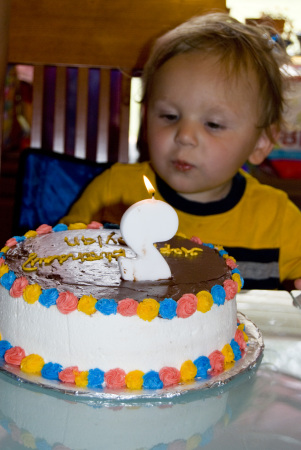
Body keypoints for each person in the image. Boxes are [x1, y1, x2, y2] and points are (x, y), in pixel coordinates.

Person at [61, 13, 301, 291]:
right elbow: (58, 257)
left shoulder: (279, 220)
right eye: (170, 116)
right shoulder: (112, 194)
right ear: (146, 115)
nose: (185, 136)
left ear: (261, 142)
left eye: (213, 124)